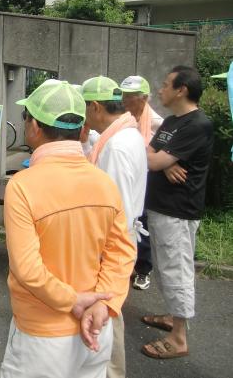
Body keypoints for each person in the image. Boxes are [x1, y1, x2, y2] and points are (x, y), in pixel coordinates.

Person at [1, 81, 135, 378]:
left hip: (42, 337)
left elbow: (27, 268)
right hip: (96, 329)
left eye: (26, 118)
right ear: (81, 129)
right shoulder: (103, 182)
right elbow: (122, 253)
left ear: (34, 127)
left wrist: (73, 300)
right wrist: (105, 304)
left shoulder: (23, 186)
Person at [141, 66, 214, 360]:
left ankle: (179, 337)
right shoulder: (172, 121)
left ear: (181, 89)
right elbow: (148, 152)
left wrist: (161, 161)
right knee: (164, 266)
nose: (160, 89)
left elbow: (153, 160)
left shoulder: (198, 124)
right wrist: (165, 162)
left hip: (178, 211)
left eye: (166, 84)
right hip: (161, 207)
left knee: (177, 270)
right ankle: (174, 316)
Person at [81, 76, 146, 378]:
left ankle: (111, 373)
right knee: (107, 313)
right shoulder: (126, 134)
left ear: (95, 106)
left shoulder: (116, 147)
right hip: (122, 238)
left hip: (112, 244)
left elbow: (113, 210)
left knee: (107, 314)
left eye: (84, 108)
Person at [120, 75, 164, 291]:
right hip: (126, 176)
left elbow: (166, 154)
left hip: (147, 180)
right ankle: (125, 265)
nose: (125, 100)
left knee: (142, 221)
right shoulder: (123, 117)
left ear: (144, 98)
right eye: (123, 95)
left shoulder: (157, 123)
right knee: (124, 220)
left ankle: (144, 269)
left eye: (130, 96)